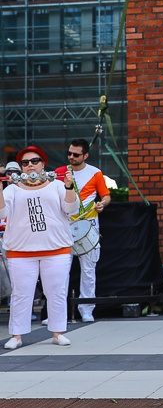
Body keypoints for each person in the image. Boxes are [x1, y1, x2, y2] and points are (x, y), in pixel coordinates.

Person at [1, 146, 79, 350]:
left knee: (57, 292)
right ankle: (16, 336)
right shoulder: (12, 189)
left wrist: (70, 187)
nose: (30, 166)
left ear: (43, 164)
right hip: (20, 251)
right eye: (25, 163)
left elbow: (72, 209)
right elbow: (1, 214)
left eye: (34, 161)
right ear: (20, 168)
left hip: (57, 249)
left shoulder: (57, 185)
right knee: (21, 294)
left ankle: (58, 332)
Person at [66, 138, 111, 323]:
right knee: (60, 269)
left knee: (88, 269)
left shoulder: (95, 173)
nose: (71, 157)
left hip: (89, 224)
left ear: (85, 155)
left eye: (76, 155)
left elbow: (106, 196)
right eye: (69, 153)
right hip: (65, 225)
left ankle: (86, 310)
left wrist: (102, 204)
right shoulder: (62, 173)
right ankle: (58, 311)